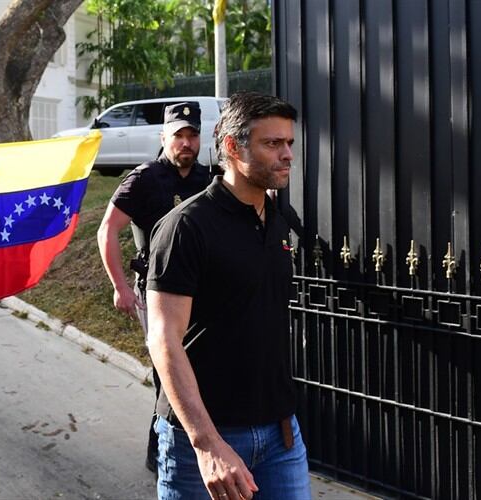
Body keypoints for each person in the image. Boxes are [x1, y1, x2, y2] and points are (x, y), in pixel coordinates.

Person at [146, 92, 310, 500]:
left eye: (289, 142)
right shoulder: (186, 227)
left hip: (281, 437)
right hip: (200, 440)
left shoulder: (277, 219)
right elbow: (164, 340)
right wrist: (207, 444)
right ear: (234, 147)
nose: (287, 154)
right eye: (272, 144)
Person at [97, 101, 211, 473]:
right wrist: (119, 287)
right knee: (168, 371)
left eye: (192, 135)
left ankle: (179, 445)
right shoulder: (144, 178)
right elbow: (108, 229)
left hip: (200, 294)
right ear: (164, 137)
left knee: (193, 369)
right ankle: (162, 451)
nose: (187, 143)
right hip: (155, 293)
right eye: (179, 135)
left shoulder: (207, 180)